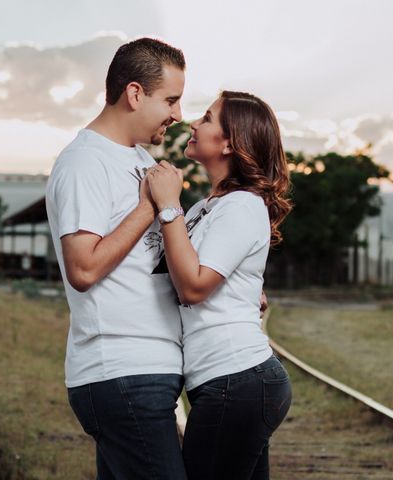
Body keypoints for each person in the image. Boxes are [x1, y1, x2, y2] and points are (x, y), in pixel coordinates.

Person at [45, 38, 188, 480]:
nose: (178, 115)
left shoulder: (141, 159)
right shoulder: (84, 163)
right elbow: (83, 268)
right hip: (122, 374)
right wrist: (150, 205)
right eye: (171, 100)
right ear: (134, 94)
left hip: (148, 373)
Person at [146, 90, 293, 480]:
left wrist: (166, 206)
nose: (193, 123)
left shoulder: (242, 205)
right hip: (227, 383)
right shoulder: (204, 208)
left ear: (230, 142)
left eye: (207, 118)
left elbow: (193, 287)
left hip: (237, 380)